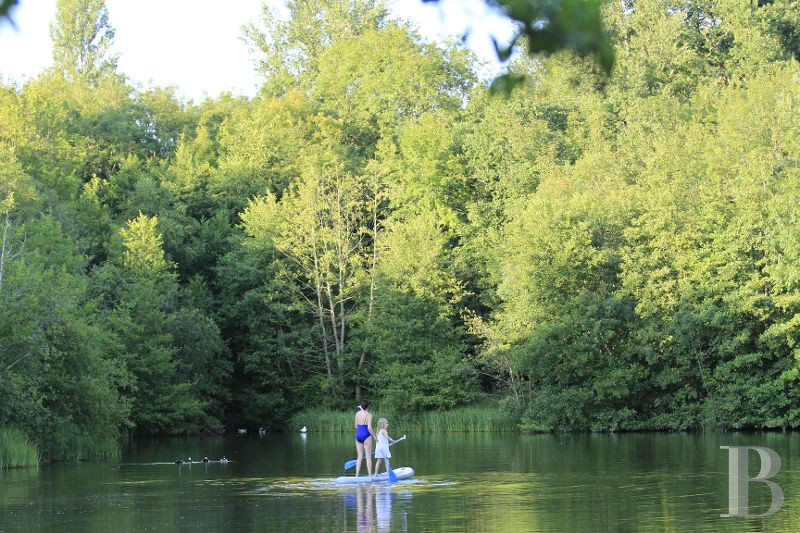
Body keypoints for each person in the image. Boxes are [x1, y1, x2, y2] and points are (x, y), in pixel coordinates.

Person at [354, 400, 375, 478]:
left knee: (359, 457)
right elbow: (369, 428)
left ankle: (357, 475)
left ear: (361, 406)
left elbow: (356, 426)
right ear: (368, 407)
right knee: (368, 457)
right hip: (366, 434)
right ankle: (370, 476)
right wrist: (374, 437)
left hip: (358, 434)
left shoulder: (357, 414)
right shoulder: (369, 415)